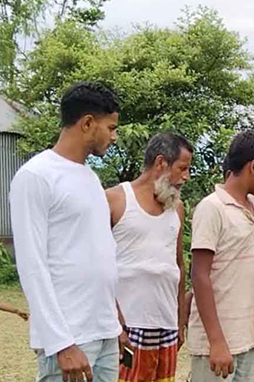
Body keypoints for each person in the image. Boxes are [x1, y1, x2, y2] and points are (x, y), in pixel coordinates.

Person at [10, 82, 123, 382]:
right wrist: (61, 343)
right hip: (70, 338)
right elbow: (32, 265)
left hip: (104, 332)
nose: (114, 137)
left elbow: (99, 253)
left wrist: (114, 324)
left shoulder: (91, 178)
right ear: (87, 123)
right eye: (111, 128)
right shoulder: (36, 176)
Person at [189, 130, 254, 382]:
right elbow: (199, 276)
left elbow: (250, 274)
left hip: (247, 338)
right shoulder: (212, 208)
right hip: (218, 344)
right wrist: (217, 341)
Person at [105, 132, 193, 382]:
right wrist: (115, 322)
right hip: (128, 326)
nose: (186, 177)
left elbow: (178, 265)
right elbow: (96, 266)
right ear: (161, 163)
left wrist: (180, 321)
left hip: (166, 326)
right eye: (182, 168)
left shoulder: (177, 208)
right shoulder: (115, 199)